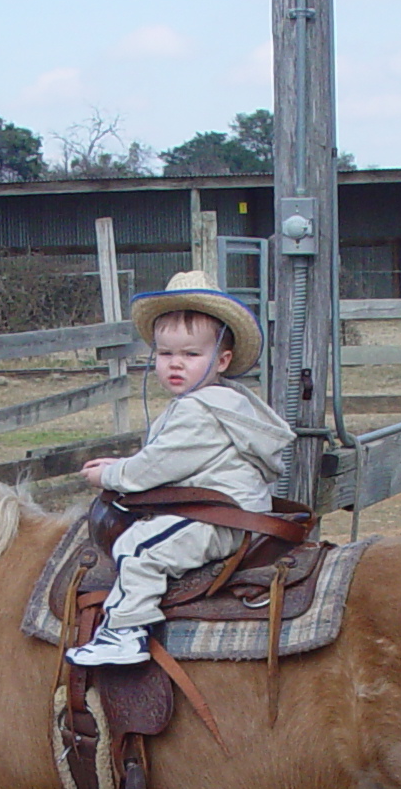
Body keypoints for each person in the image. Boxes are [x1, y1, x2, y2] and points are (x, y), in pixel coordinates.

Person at [65, 274, 293, 668]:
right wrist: (122, 464)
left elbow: (155, 467)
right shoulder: (220, 402)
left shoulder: (200, 409)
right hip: (222, 511)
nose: (175, 364)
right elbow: (170, 459)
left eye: (190, 355)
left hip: (216, 520)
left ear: (221, 361)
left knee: (136, 548)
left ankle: (125, 632)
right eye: (165, 353)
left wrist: (112, 476)